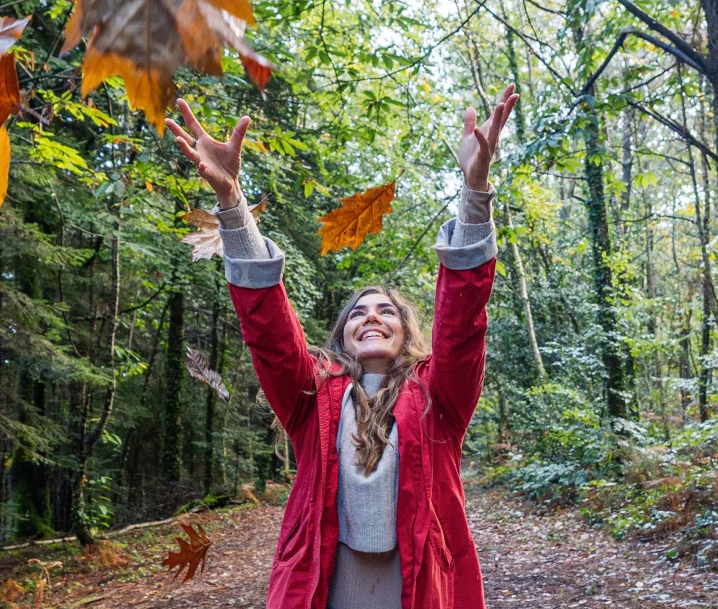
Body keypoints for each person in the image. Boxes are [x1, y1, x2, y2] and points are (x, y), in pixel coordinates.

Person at [166, 85, 519, 609]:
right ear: (343, 335)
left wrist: (475, 191)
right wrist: (232, 205)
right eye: (358, 311)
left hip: (419, 588)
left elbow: (464, 324)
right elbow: (267, 333)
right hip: (324, 588)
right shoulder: (313, 397)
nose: (371, 316)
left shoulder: (439, 397)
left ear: (407, 332)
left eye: (386, 310)